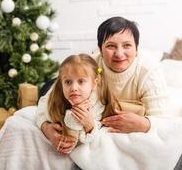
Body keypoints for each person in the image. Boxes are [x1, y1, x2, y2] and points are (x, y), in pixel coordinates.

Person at [36, 16, 169, 154]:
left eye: (127, 45)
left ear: (137, 48)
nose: (119, 53)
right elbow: (45, 102)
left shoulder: (149, 71)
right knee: (49, 87)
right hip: (71, 90)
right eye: (111, 46)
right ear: (100, 48)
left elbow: (163, 120)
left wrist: (144, 124)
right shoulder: (91, 64)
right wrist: (46, 128)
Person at [42, 54, 119, 154]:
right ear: (62, 84)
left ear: (94, 84)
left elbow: (90, 133)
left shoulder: (99, 102)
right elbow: (44, 113)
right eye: (68, 82)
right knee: (46, 89)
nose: (74, 87)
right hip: (49, 87)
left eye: (81, 81)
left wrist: (90, 126)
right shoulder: (56, 96)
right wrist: (48, 127)